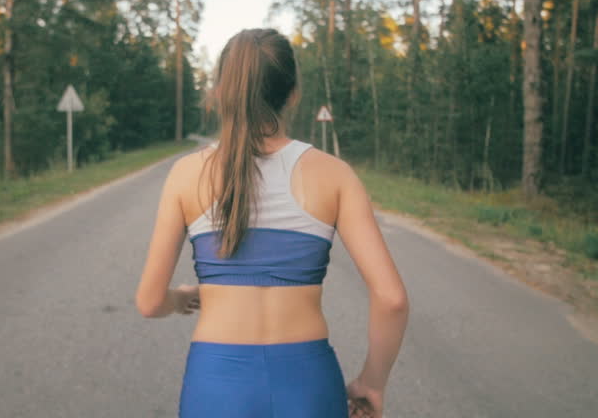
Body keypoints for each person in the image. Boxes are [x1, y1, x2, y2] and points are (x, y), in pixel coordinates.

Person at [135, 28, 409, 418]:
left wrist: (180, 299)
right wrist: (371, 383)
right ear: (293, 94)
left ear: (219, 92)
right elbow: (392, 299)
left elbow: (149, 302)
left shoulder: (186, 174)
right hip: (308, 381)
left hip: (216, 383)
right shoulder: (334, 174)